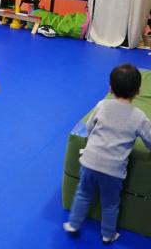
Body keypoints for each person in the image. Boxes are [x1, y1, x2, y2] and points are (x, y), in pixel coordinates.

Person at [63, 64, 151, 244]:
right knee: (110, 204)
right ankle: (108, 234)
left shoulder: (102, 105)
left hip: (88, 162)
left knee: (83, 194)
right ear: (138, 91)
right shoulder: (139, 117)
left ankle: (73, 224)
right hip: (113, 170)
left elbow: (89, 128)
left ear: (110, 88)